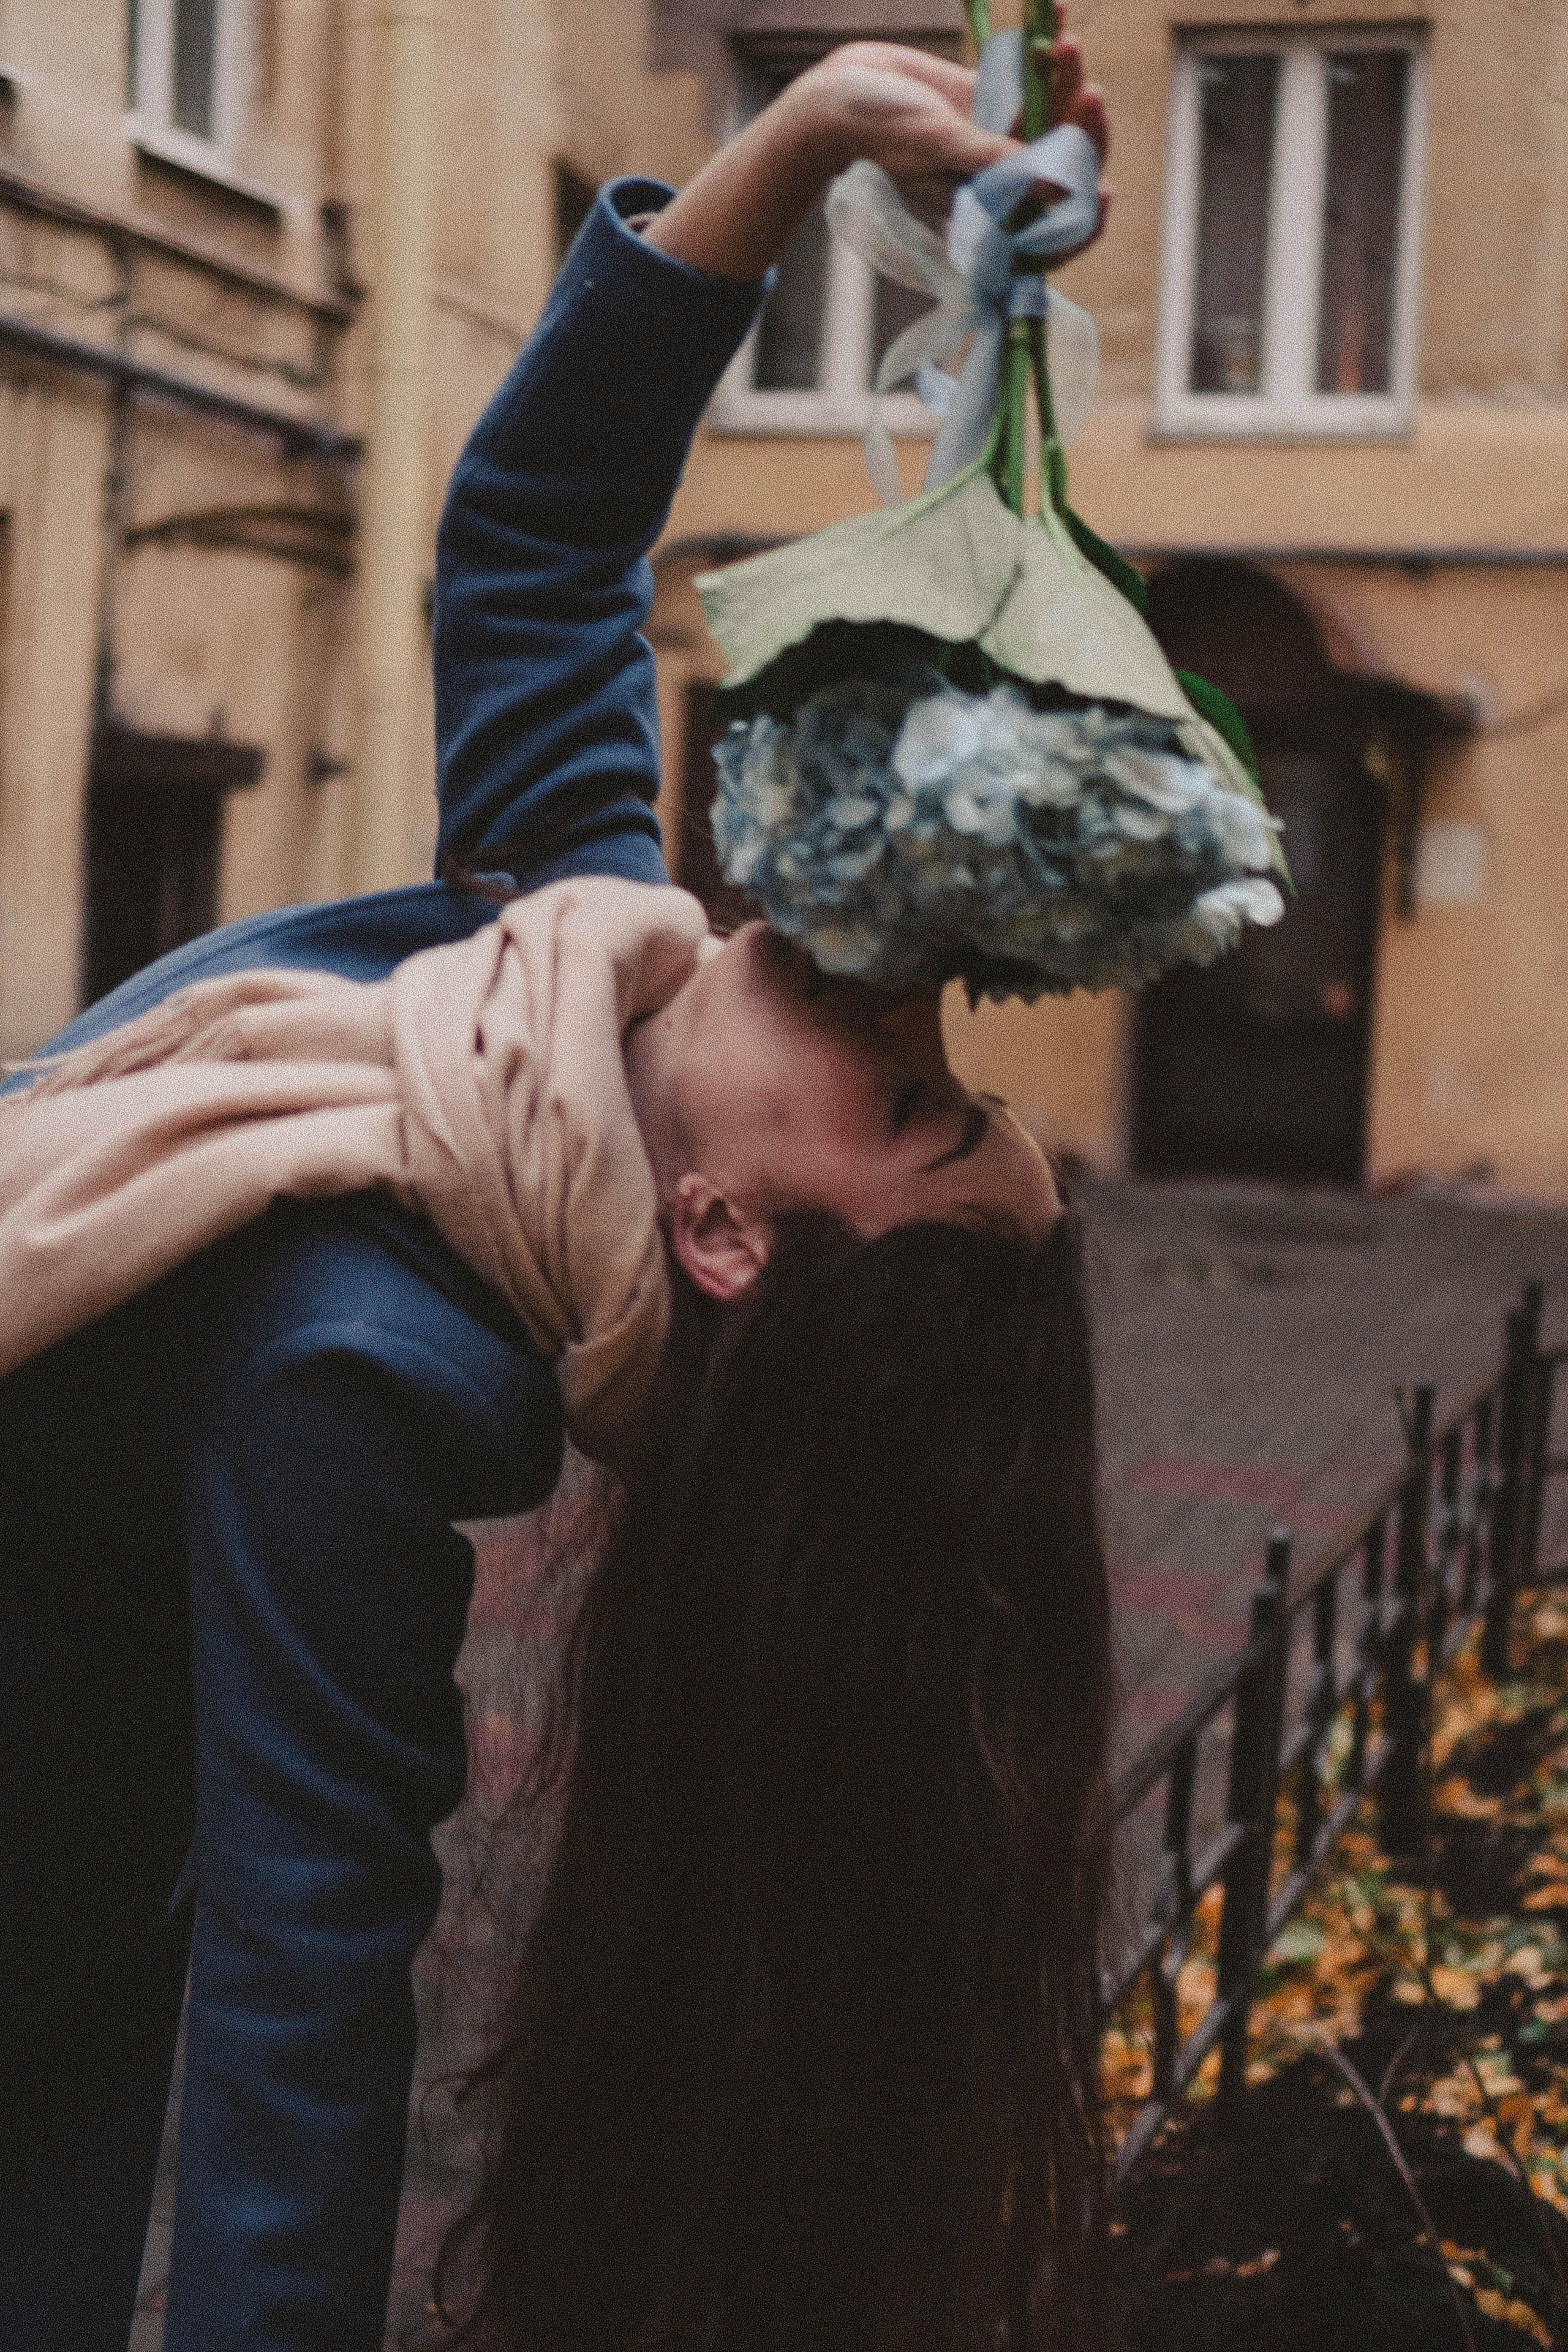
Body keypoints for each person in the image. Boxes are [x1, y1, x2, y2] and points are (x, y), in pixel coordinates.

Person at [0, 30, 1110, 2352]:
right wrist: (806, 142)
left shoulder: (359, 1378)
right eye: (976, 1078)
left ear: (721, 1235)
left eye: (915, 1113)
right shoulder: (573, 957)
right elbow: (539, 532)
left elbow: (310, 2006)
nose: (927, 1013)